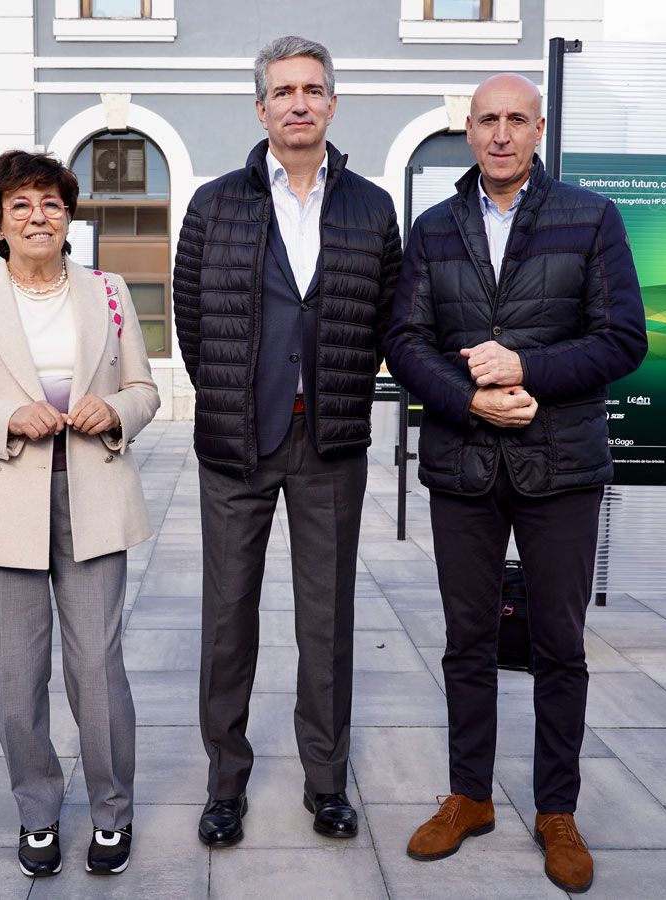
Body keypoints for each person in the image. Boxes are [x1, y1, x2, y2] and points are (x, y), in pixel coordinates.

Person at [383, 73, 647, 893]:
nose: (501, 134)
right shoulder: (433, 228)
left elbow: (623, 338)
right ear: (468, 130)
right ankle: (468, 797)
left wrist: (530, 368)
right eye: (487, 120)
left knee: (558, 646)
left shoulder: (590, 218)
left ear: (538, 128)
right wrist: (468, 399)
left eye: (516, 120)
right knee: (466, 641)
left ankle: (555, 809)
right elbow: (405, 340)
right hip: (463, 463)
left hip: (561, 465)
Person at [172, 35, 402, 847]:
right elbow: (192, 323)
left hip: (329, 444)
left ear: (333, 104)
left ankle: (326, 785)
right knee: (228, 618)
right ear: (261, 107)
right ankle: (224, 784)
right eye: (283, 90)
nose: (299, 102)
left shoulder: (372, 207)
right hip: (238, 445)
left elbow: (385, 321)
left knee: (326, 621)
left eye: (313, 89)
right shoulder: (214, 204)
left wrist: (330, 393)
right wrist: (237, 400)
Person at [0, 149, 160, 878]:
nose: (37, 215)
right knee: (16, 675)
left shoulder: (109, 292)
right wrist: (5, 417)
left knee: (97, 667)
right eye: (20, 203)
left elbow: (147, 391)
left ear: (69, 216)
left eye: (51, 203)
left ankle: (112, 813)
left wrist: (112, 407)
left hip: (91, 495)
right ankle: (38, 812)